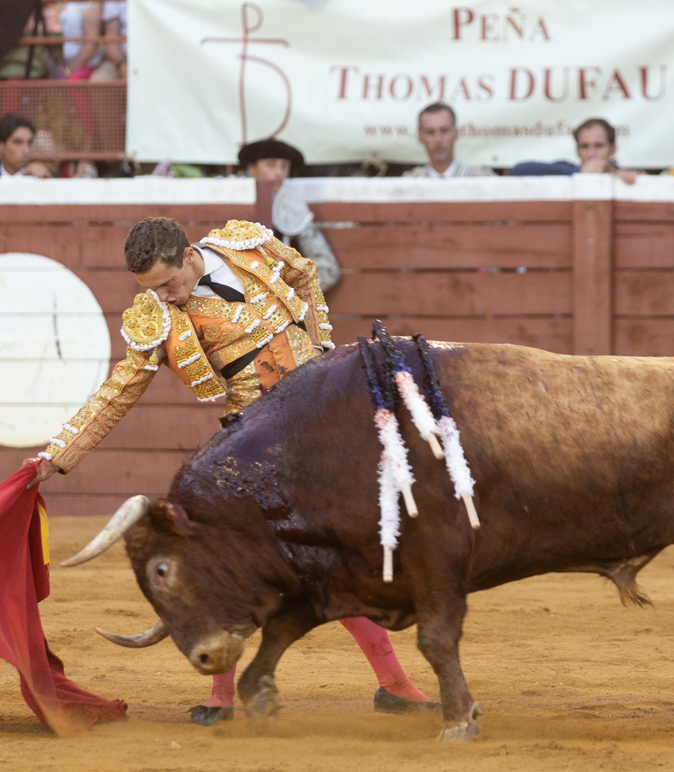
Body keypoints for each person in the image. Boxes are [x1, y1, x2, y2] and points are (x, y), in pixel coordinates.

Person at [26, 218, 429, 725]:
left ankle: (393, 684)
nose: (165, 299)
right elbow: (119, 390)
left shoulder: (247, 245)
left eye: (168, 284)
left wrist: (322, 344)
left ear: (190, 255)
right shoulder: (159, 317)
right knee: (238, 566)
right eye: (151, 290)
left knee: (334, 560)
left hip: (323, 430)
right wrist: (57, 455)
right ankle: (225, 696)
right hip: (254, 446)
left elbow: (305, 274)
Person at [239, 138, 341, 290]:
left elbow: (328, 268)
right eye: (271, 165)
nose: (279, 173)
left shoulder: (293, 208)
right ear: (252, 169)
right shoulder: (233, 201)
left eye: (284, 166)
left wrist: (289, 297)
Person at [509, 118, 641, 184]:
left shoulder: (624, 176)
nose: (591, 154)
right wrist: (578, 172)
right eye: (585, 146)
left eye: (599, 146)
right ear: (577, 150)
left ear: (613, 149)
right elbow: (519, 170)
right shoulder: (568, 171)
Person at [403, 103, 494, 179]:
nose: (438, 139)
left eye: (444, 131)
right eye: (430, 132)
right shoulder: (409, 182)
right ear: (420, 136)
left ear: (456, 133)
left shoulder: (481, 178)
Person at [0, 114, 54, 179]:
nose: (26, 150)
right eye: (18, 142)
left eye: (29, 143)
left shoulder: (41, 177)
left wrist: (46, 182)